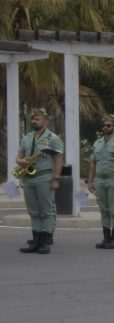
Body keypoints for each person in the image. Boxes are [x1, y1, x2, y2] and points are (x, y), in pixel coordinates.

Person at [17, 107, 64, 254]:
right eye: (33, 119)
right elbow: (18, 157)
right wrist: (21, 161)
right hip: (28, 177)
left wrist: (56, 178)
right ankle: (35, 241)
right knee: (33, 211)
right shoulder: (26, 138)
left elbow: (58, 159)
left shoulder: (53, 138)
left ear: (45, 121)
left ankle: (44, 242)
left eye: (38, 119)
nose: (34, 121)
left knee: (46, 211)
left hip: (44, 177)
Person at [87, 114, 114, 249]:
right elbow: (93, 163)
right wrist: (90, 181)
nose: (105, 127)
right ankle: (106, 238)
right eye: (103, 125)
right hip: (100, 180)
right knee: (104, 210)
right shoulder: (97, 143)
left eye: (108, 125)